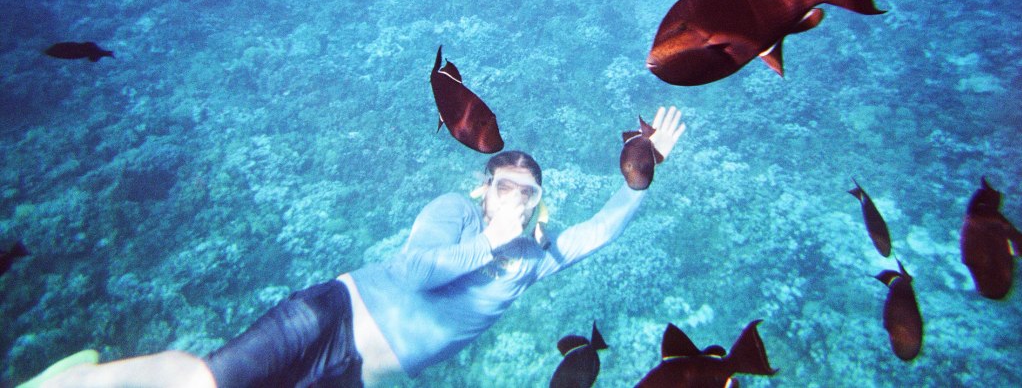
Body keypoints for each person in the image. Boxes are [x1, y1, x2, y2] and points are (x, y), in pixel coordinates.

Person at [22, 106, 686, 388]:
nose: (516, 196)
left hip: (360, 375)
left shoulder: (534, 261)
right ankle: (81, 380)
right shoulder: (455, 212)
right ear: (483, 188)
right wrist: (489, 242)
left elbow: (601, 230)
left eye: (528, 191)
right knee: (208, 382)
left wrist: (642, 174)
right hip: (331, 315)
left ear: (540, 201)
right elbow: (415, 271)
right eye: (505, 184)